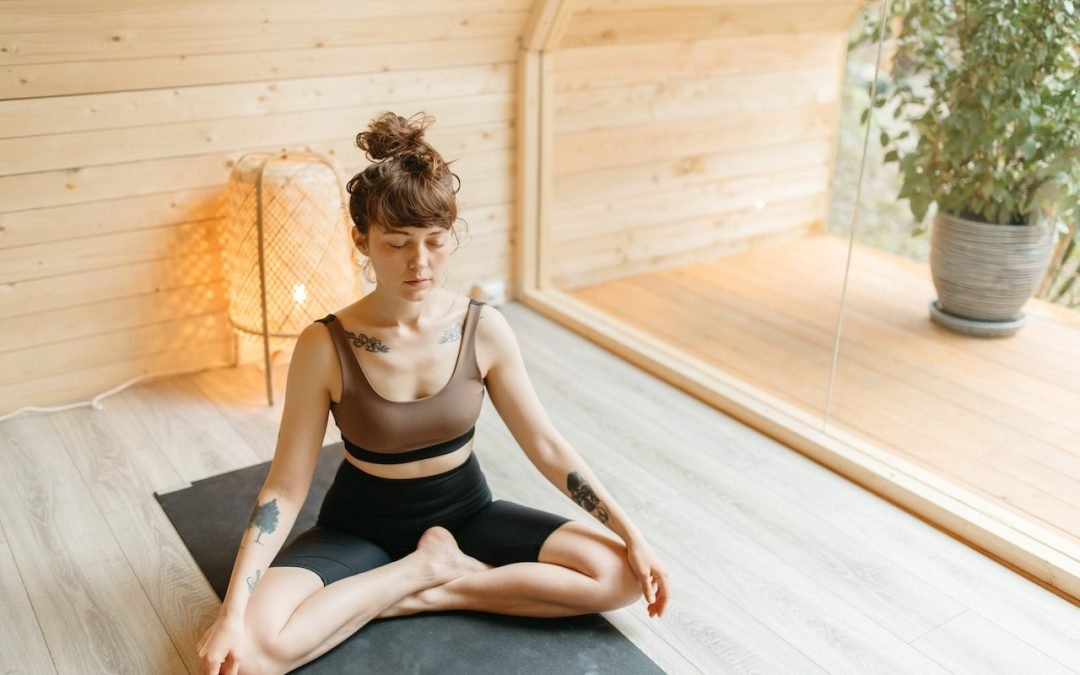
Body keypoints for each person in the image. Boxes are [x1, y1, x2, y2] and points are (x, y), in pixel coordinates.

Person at [196, 111, 669, 675]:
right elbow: (285, 487)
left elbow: (544, 443)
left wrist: (631, 534)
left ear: (451, 238)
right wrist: (233, 608)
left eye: (435, 242)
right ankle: (418, 573)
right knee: (249, 656)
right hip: (360, 526)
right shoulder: (325, 344)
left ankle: (440, 587)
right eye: (397, 244)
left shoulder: (483, 328)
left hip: (467, 512)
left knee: (619, 576)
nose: (419, 263)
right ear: (362, 241)